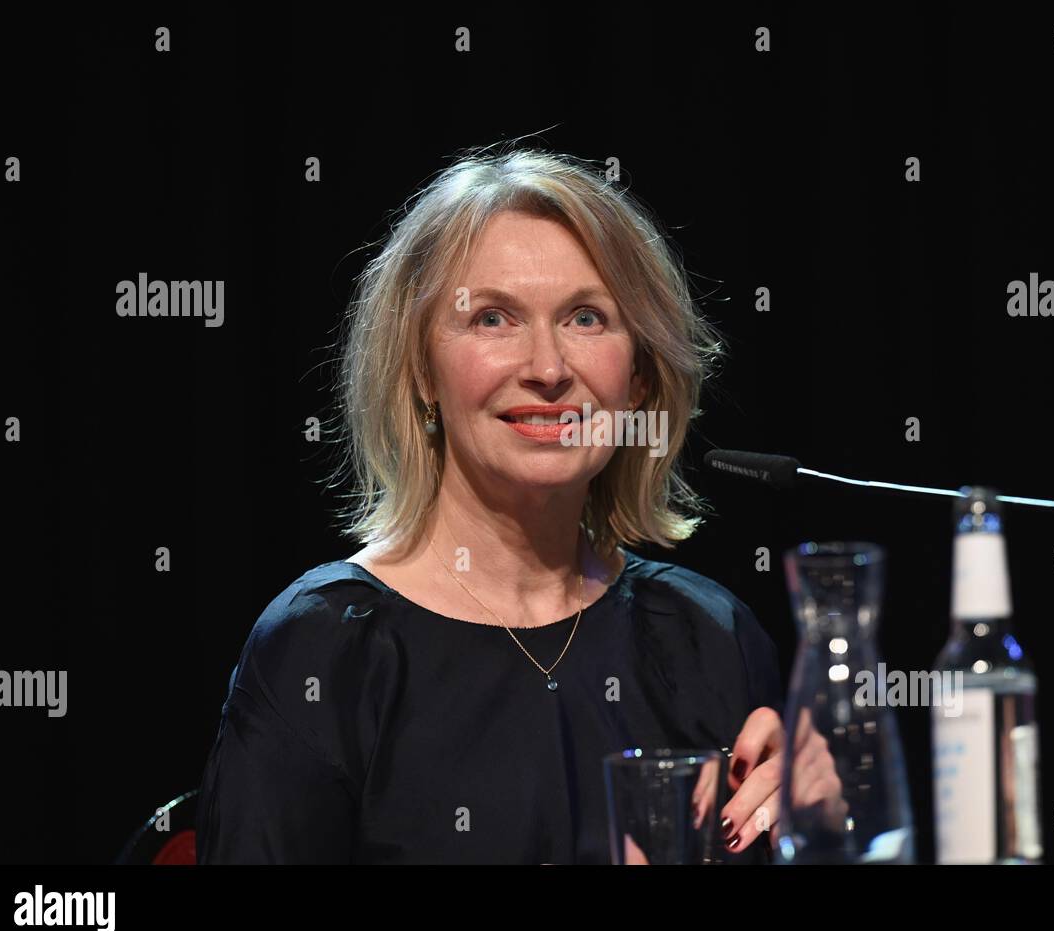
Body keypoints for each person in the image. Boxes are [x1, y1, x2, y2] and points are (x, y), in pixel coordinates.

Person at [195, 145, 841, 863]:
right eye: (493, 318)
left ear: (640, 380)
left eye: (587, 318)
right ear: (421, 370)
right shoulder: (325, 649)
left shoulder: (709, 636)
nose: (548, 367)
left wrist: (817, 835)